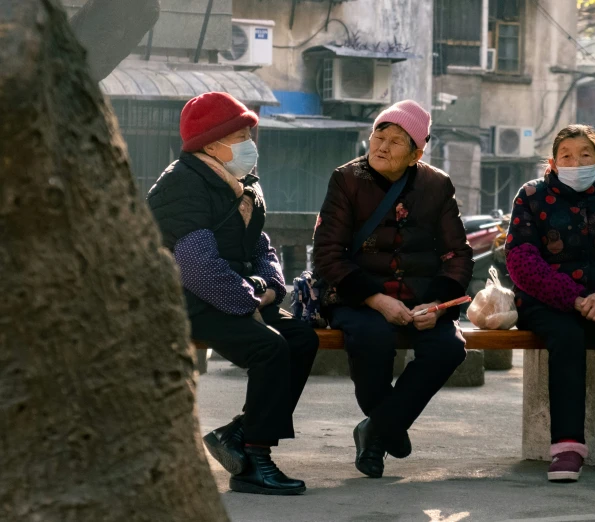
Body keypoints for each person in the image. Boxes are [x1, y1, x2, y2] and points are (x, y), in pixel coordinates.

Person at [147, 92, 318, 495]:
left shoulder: (242, 183)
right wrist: (249, 300)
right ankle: (254, 461)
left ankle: (239, 433)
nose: (249, 143)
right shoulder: (181, 185)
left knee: (302, 338)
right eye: (241, 134)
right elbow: (196, 264)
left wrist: (273, 288)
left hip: (233, 293)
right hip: (186, 298)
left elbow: (261, 246)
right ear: (211, 143)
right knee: (270, 348)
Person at [313, 100, 473, 478]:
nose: (381, 146)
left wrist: (437, 303)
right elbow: (327, 254)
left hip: (421, 300)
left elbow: (457, 253)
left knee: (449, 348)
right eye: (378, 135)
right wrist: (376, 299)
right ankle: (391, 427)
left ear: (417, 152)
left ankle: (376, 429)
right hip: (357, 295)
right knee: (372, 338)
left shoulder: (437, 185)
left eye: (395, 141)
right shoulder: (347, 179)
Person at [505, 124, 595, 482]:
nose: (576, 161)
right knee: (567, 341)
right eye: (567, 155)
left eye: (585, 154)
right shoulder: (530, 196)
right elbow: (521, 259)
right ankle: (567, 447)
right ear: (553, 163)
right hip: (547, 303)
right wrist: (572, 299)